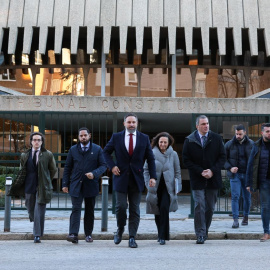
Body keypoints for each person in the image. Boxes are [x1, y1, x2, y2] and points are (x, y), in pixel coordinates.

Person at [103, 113, 157, 248]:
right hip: (120, 177)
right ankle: (120, 229)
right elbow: (105, 153)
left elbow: (150, 159)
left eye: (133, 122)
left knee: (134, 209)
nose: (131, 124)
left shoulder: (144, 138)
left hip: (137, 179)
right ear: (124, 123)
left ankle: (132, 237)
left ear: (137, 123)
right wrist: (112, 166)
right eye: (129, 122)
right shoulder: (116, 137)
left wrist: (153, 177)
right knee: (120, 207)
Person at [182, 115, 226, 244]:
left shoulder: (217, 139)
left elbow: (222, 157)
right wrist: (200, 171)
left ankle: (204, 230)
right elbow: (186, 160)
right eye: (203, 124)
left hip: (213, 177)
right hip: (197, 178)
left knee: (210, 208)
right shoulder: (189, 140)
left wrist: (212, 170)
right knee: (199, 205)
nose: (206, 126)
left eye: (207, 123)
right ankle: (200, 234)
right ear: (197, 126)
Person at [62, 127, 107, 244]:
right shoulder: (73, 150)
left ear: (89, 136)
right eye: (81, 136)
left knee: (89, 210)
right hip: (76, 184)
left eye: (85, 135)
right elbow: (67, 168)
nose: (83, 138)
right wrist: (65, 184)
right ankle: (73, 234)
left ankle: (88, 234)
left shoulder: (97, 149)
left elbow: (103, 166)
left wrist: (94, 173)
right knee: (75, 209)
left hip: (91, 185)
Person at [13, 132, 57, 243]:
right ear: (31, 141)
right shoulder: (25, 155)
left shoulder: (47, 154)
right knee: (30, 207)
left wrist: (47, 180)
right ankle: (35, 221)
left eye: (39, 140)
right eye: (34, 140)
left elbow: (53, 170)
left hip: (42, 185)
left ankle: (37, 234)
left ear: (42, 142)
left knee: (39, 210)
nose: (36, 142)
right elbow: (21, 169)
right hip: (29, 184)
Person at [143, 132, 181, 245]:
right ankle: (160, 233)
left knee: (164, 208)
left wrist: (178, 187)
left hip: (168, 187)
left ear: (169, 143)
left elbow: (177, 171)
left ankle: (163, 236)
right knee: (157, 210)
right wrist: (147, 183)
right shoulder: (151, 153)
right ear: (157, 142)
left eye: (165, 142)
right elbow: (145, 170)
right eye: (161, 142)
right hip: (155, 186)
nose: (163, 144)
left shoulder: (173, 154)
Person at [224, 124, 253, 228]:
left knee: (247, 197)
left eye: (240, 134)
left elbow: (255, 160)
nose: (238, 136)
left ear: (245, 133)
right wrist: (230, 168)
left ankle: (245, 217)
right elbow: (223, 159)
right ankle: (235, 220)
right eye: (236, 134)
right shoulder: (229, 144)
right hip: (234, 175)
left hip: (247, 175)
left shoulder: (251, 144)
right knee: (235, 197)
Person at [246, 123, 270, 242]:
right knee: (265, 207)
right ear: (262, 133)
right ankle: (266, 232)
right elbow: (251, 165)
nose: (269, 133)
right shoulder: (257, 146)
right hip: (264, 181)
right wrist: (248, 183)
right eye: (267, 131)